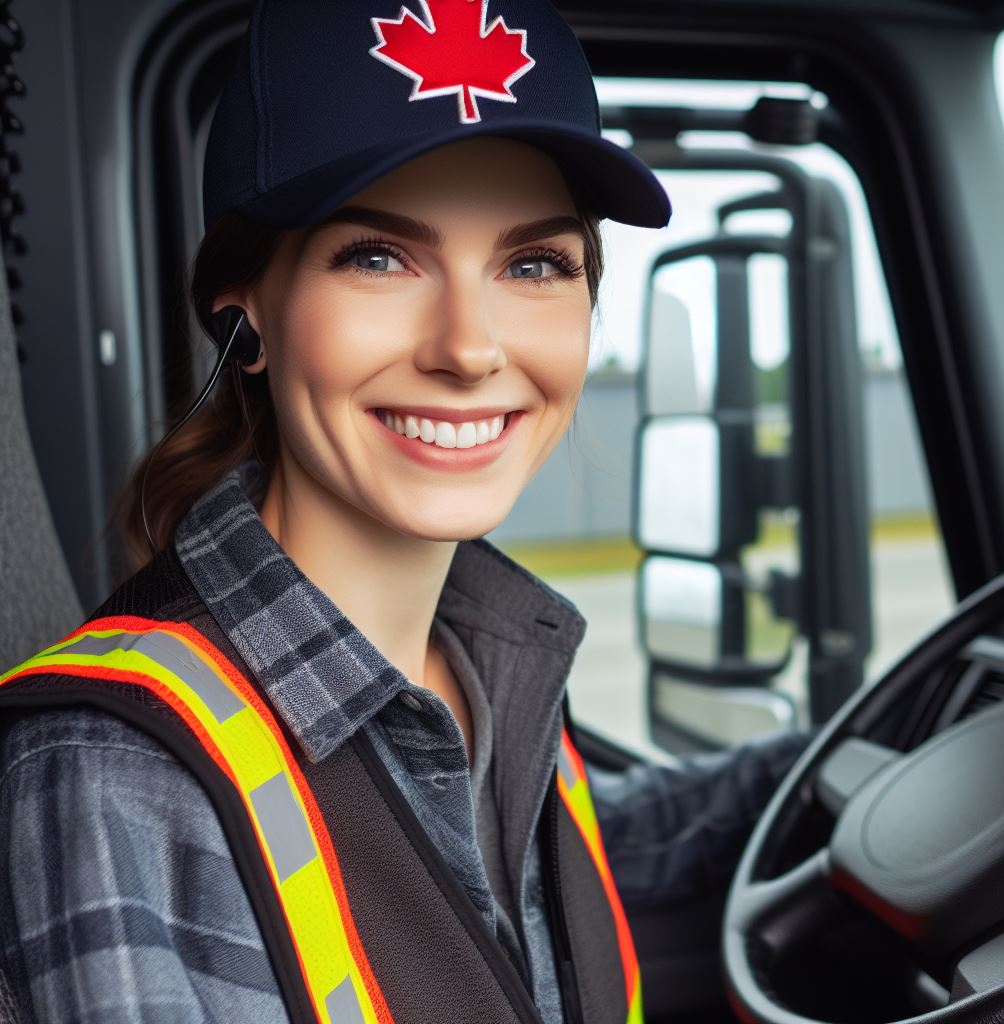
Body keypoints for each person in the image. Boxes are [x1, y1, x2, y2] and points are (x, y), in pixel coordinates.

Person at [0, 0, 810, 1021]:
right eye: (378, 257)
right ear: (244, 311)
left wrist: (896, 743)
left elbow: (560, 862)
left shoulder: (491, 657)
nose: (468, 348)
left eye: (532, 264)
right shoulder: (114, 771)